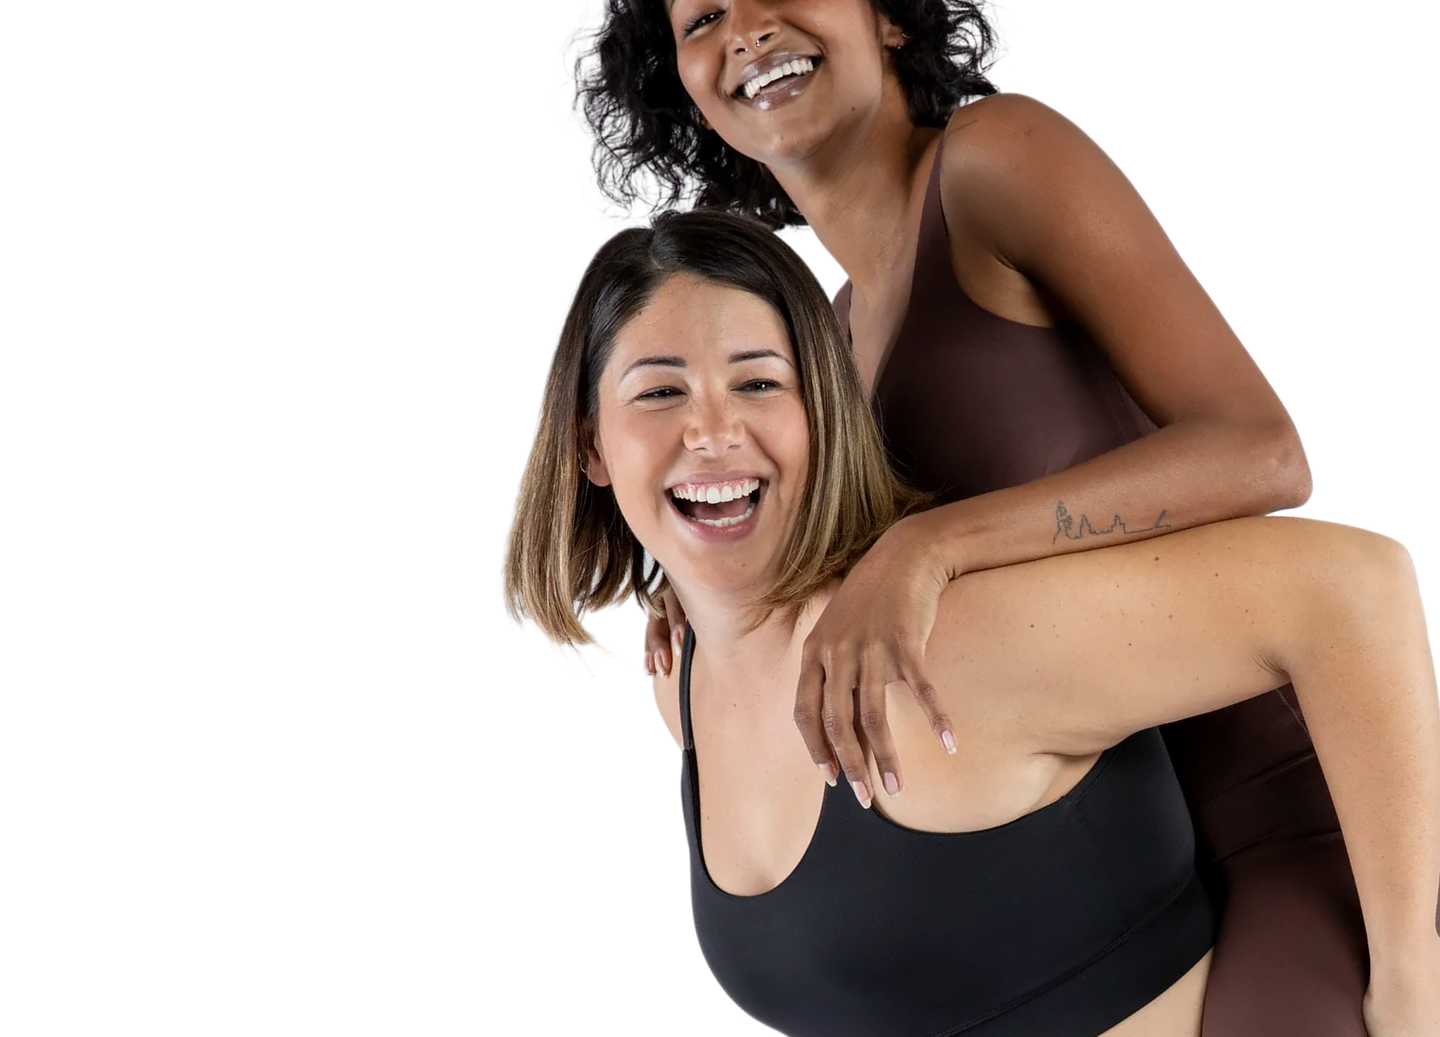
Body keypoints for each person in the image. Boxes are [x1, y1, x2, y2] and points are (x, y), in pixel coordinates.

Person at [548, 0, 1439, 1034]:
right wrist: (694, 579)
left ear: (886, 10)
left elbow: (1266, 454)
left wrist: (930, 547)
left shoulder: (992, 162)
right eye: (701, 16)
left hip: (1277, 807)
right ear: (685, 88)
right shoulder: (834, 338)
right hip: (1110, 843)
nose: (747, 27)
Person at [497, 208, 1439, 1037]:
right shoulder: (678, 683)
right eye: (660, 392)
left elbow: (1355, 590)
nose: (713, 432)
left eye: (758, 384)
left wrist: (1408, 991)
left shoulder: (948, 645)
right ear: (590, 446)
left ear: (820, 418)